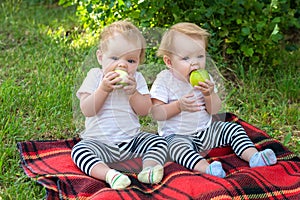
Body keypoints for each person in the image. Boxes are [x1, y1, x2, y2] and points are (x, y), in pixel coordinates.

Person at [150, 22, 277, 178]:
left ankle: (254, 157)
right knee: (175, 148)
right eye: (186, 58)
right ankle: (207, 168)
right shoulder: (164, 81)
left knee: (233, 129)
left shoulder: (205, 79)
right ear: (169, 62)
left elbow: (214, 110)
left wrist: (209, 94)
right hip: (177, 135)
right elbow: (157, 113)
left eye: (200, 55)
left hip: (205, 131)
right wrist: (178, 106)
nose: (195, 62)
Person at [71, 21, 168, 189]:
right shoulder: (95, 76)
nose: (122, 65)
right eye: (115, 58)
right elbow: (87, 109)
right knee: (79, 151)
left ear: (138, 62)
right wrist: (103, 89)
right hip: (99, 142)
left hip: (131, 141)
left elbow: (144, 110)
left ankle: (148, 170)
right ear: (100, 57)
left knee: (159, 142)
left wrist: (133, 93)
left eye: (130, 60)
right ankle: (110, 175)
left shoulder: (136, 80)